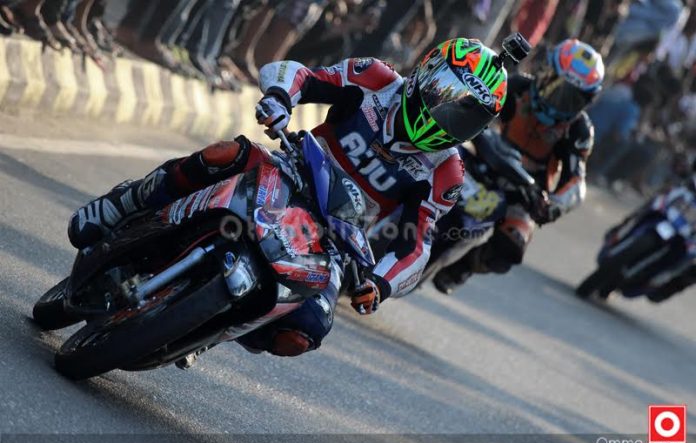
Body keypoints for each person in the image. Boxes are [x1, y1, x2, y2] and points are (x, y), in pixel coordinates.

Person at [66, 37, 510, 362]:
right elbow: (302, 76)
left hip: (335, 239)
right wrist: (281, 99)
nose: (445, 116)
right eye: (446, 97)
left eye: (464, 115)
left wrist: (381, 283)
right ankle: (124, 203)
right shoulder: (375, 78)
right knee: (224, 154)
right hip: (289, 170)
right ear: (429, 71)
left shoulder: (447, 172)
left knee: (302, 334)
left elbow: (418, 245)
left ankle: (207, 331)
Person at [433, 39, 604, 293]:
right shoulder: (516, 86)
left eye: (572, 99)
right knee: (428, 157)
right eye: (557, 87)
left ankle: (463, 267)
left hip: (524, 190)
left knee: (511, 246)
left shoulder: (579, 130)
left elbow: (576, 181)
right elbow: (470, 105)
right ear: (545, 71)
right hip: (482, 156)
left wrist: (554, 205)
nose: (559, 101)